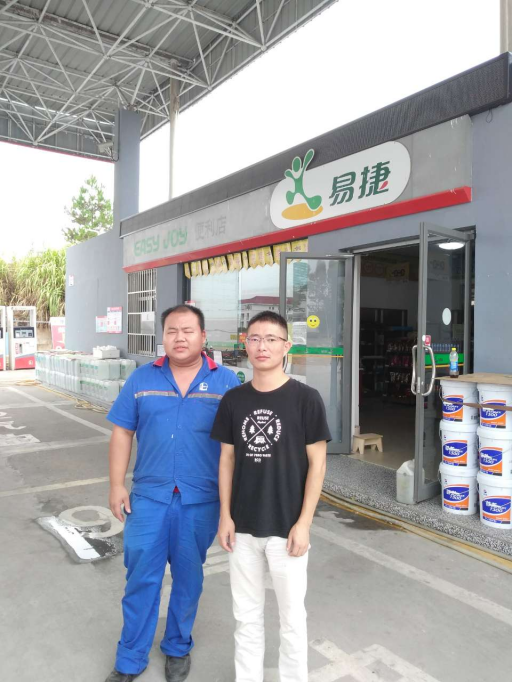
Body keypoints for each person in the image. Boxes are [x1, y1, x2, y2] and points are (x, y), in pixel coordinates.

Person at [105, 304, 239, 683]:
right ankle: (130, 658)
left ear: (203, 336)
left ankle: (178, 646)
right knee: (141, 577)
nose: (179, 338)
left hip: (200, 500)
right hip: (149, 497)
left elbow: (236, 448)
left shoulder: (226, 383)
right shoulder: (142, 378)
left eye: (188, 330)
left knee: (188, 578)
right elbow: (122, 432)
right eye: (172, 331)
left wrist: (233, 506)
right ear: (162, 337)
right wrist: (116, 484)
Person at [211, 311, 330, 683]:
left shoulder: (306, 399)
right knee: (246, 617)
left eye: (271, 339)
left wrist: (304, 524)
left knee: (292, 619)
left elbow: (318, 465)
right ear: (245, 344)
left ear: (286, 346)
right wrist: (225, 515)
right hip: (242, 527)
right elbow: (227, 459)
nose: (262, 346)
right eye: (255, 338)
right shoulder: (233, 400)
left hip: (287, 528)